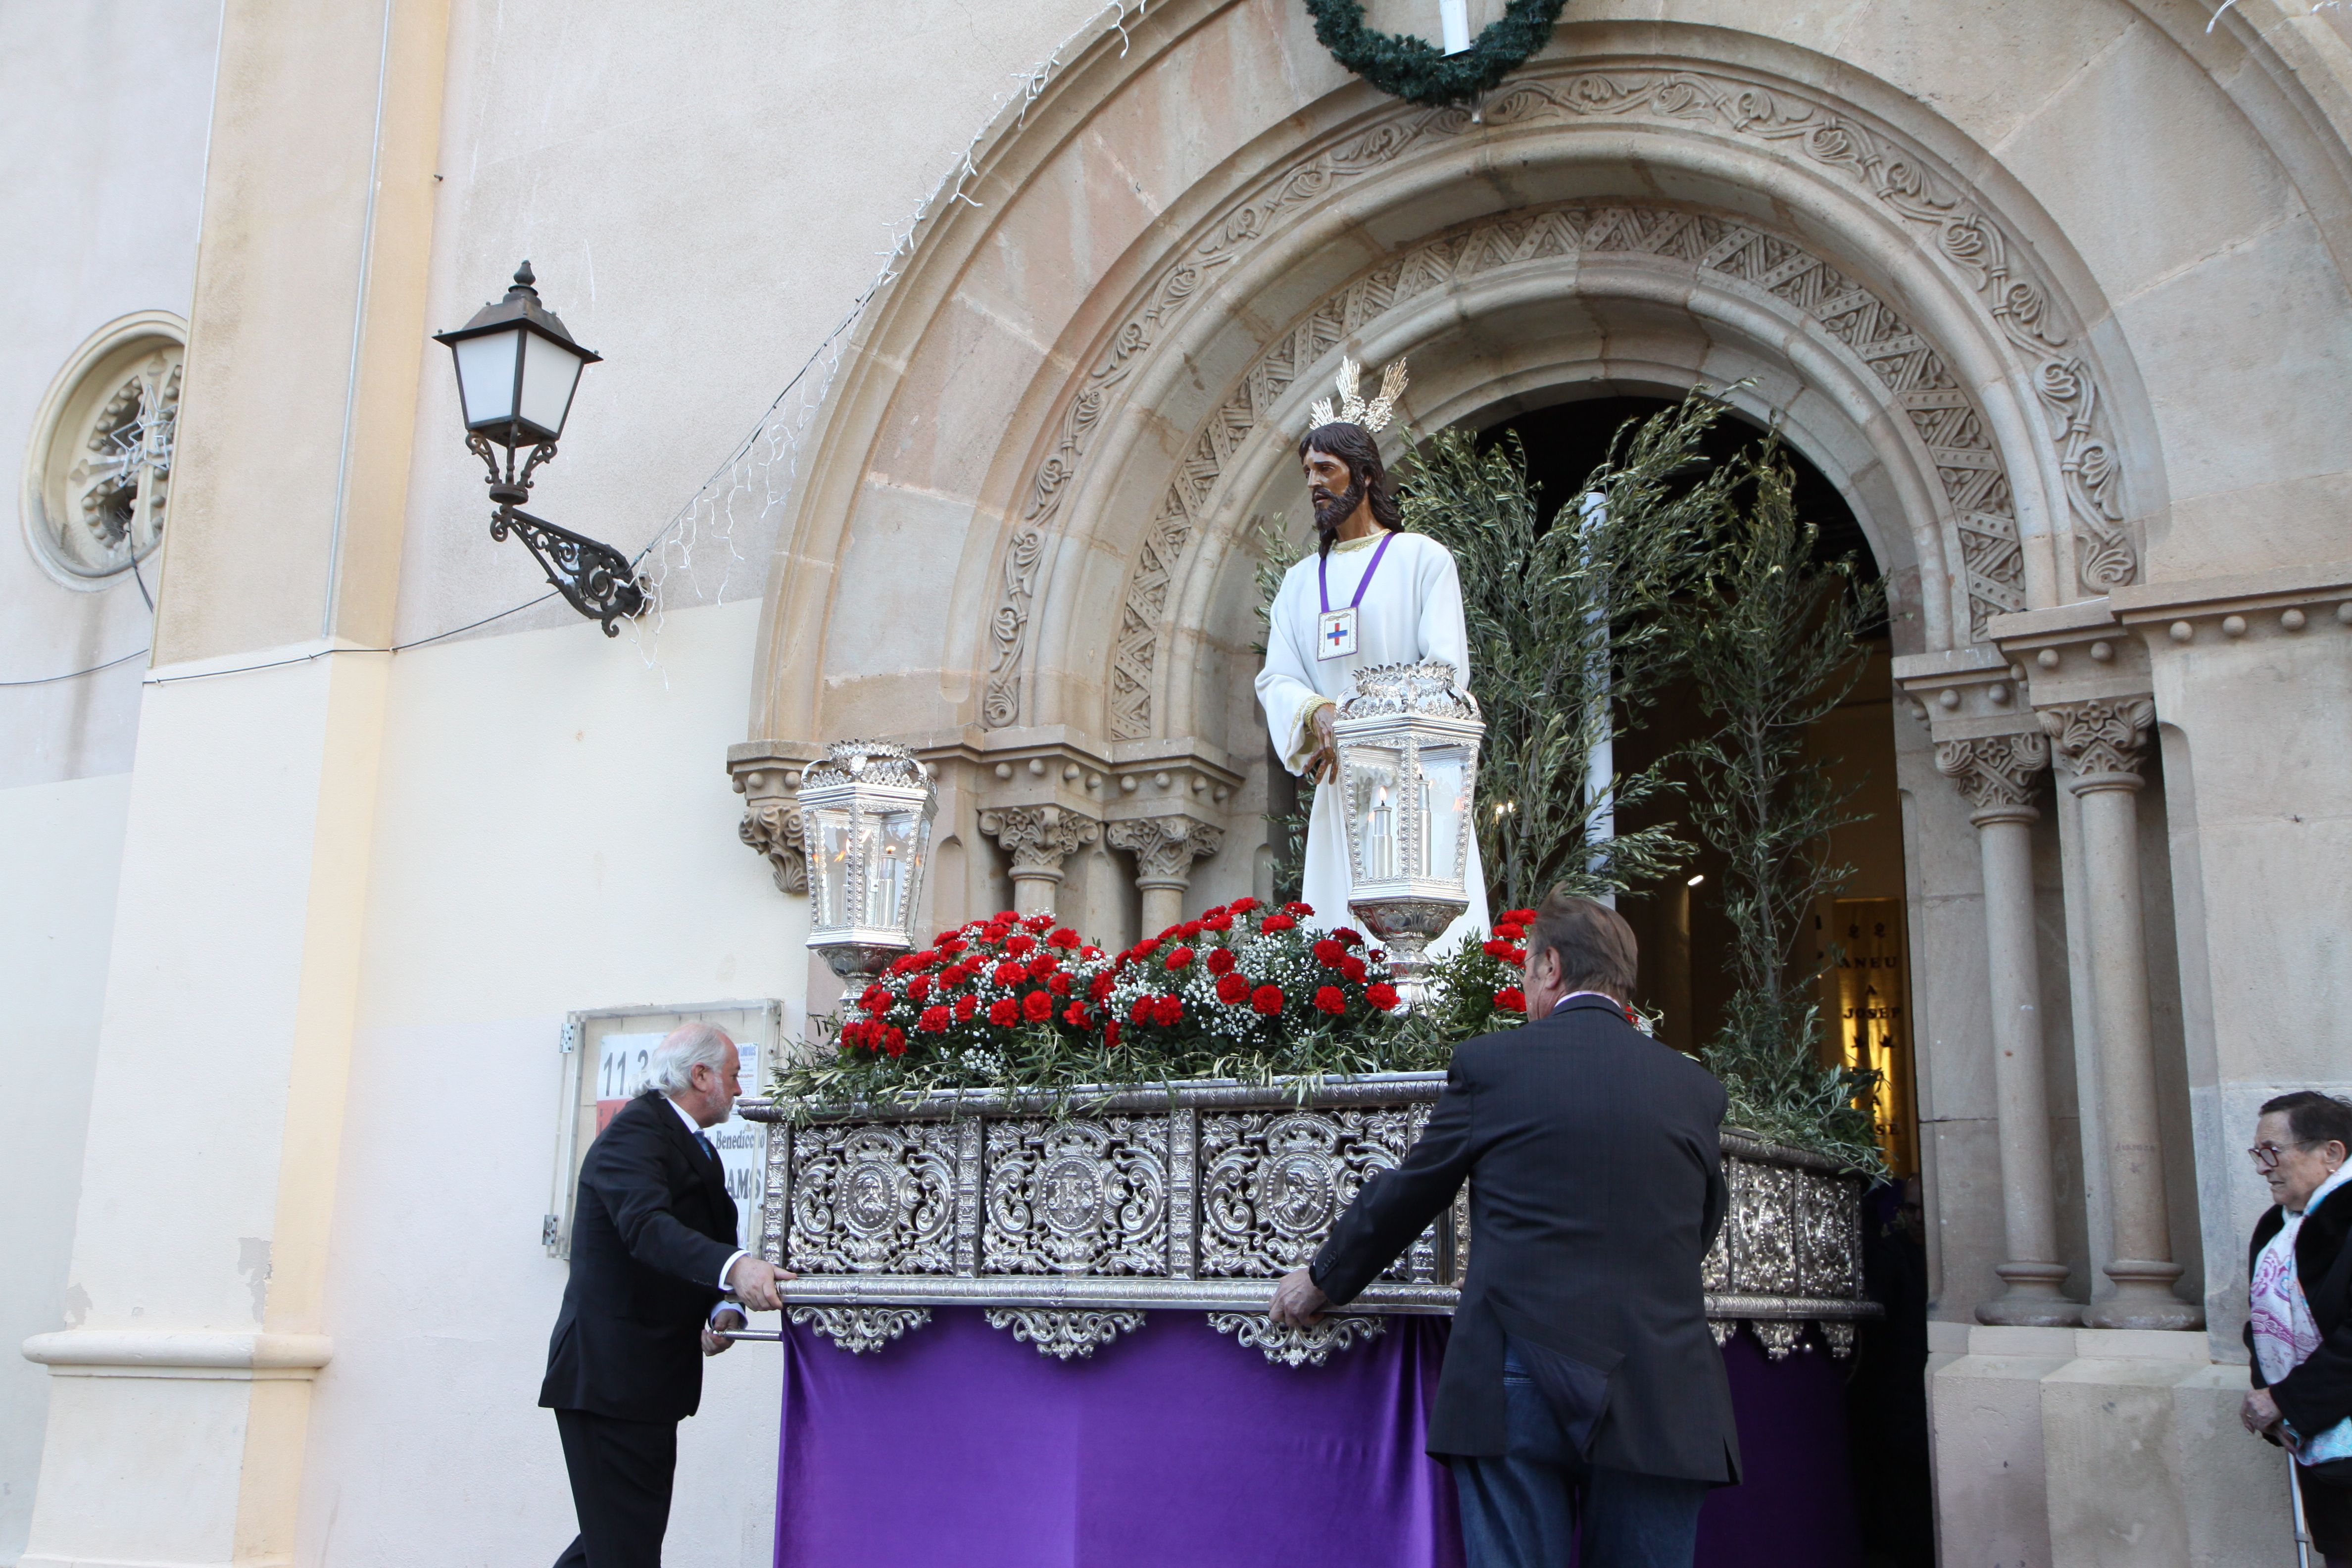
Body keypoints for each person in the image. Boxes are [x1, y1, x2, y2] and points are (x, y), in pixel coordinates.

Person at [1270, 890, 1738, 1568]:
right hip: (1660, 1385)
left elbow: (1412, 1191)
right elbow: (1701, 1224)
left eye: (1523, 971)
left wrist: (1322, 1278)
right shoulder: (1693, 1089)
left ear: (1550, 966)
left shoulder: (1495, 1067)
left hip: (1520, 1373)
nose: (1524, 987)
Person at [1253, 355, 1490, 950]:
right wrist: (1317, 712)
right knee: (1342, 934)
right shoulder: (1300, 583)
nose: (1313, 483)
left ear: (1362, 475)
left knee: (1432, 949)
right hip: (1343, 791)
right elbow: (1276, 677)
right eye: (1307, 470)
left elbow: (1446, 673)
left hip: (1417, 785)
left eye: (1325, 468)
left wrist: (1368, 721)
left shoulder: (1421, 559)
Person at [540, 1022, 793, 1567]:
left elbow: (703, 1238)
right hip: (609, 1381)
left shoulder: (690, 1145)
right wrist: (736, 1269)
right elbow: (648, 1230)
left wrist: (721, 1305)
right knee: (624, 1547)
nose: (741, 1089)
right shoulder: (635, 1135)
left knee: (615, 1543)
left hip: (645, 1384)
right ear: (699, 1076)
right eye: (733, 1075)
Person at [2241, 1089, 2352, 1568]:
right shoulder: (2279, 1227)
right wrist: (2272, 1398)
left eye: (2273, 1151)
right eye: (2257, 1154)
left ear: (2331, 1153)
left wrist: (2286, 1400)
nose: (2263, 1166)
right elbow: (2263, 1327)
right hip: (2328, 1456)